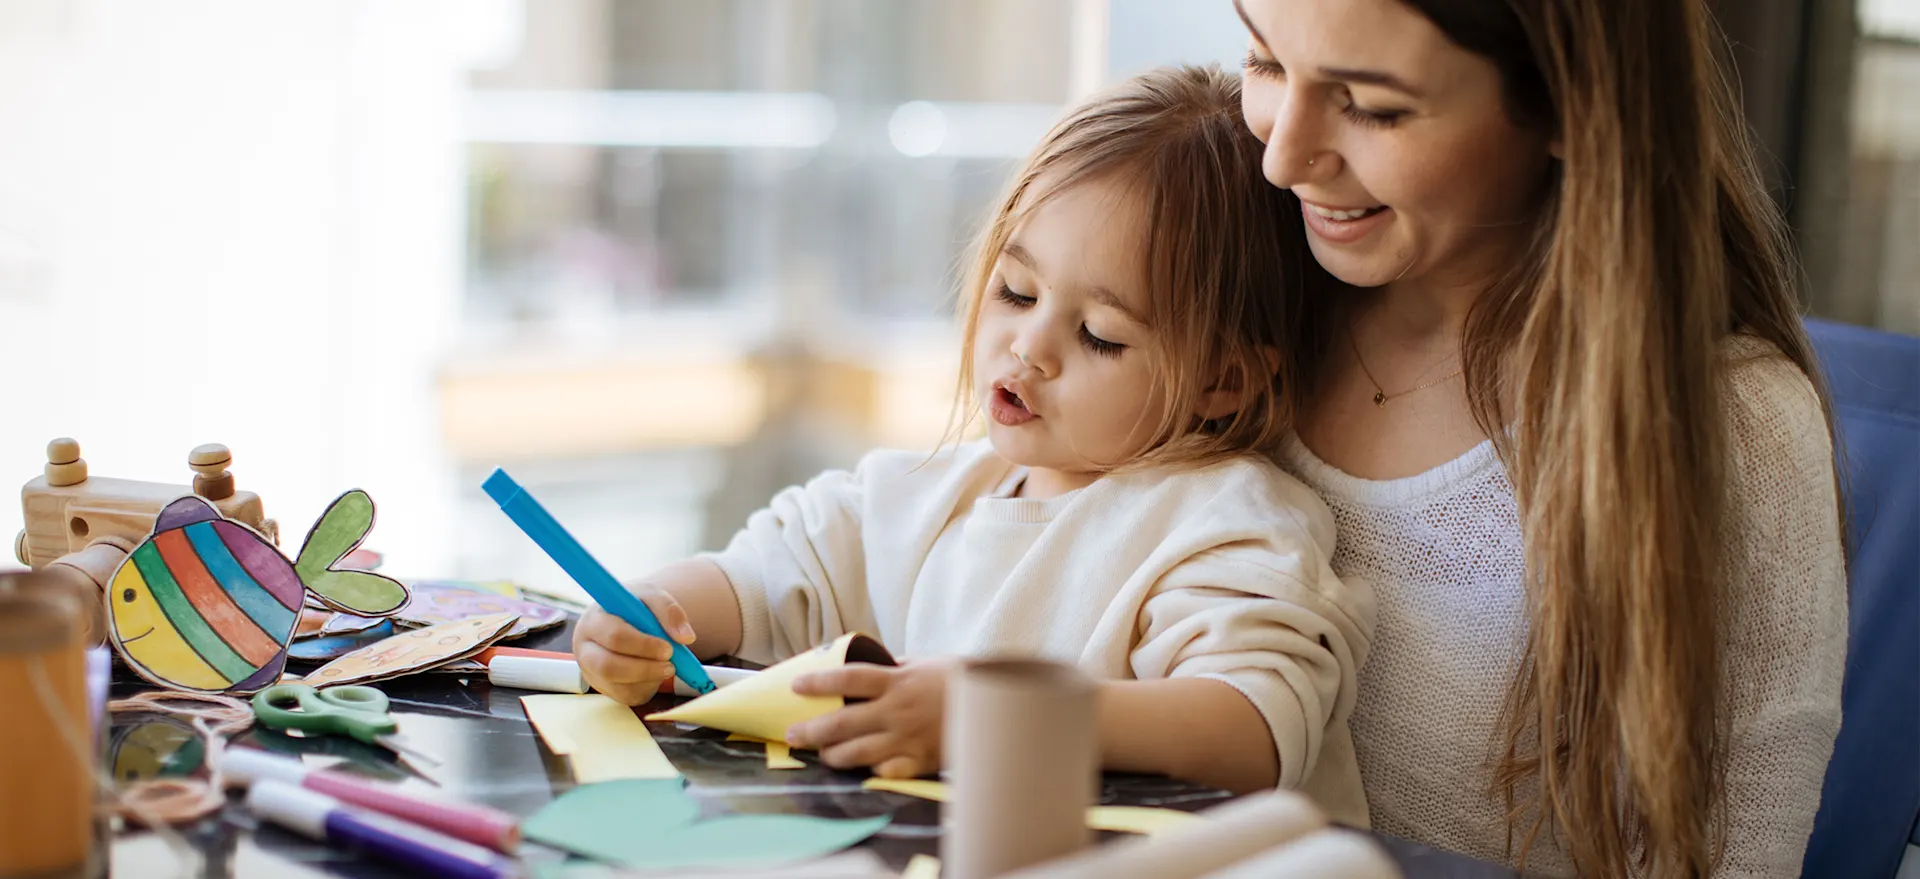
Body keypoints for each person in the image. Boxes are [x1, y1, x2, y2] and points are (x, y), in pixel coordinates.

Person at [573, 65, 1376, 824]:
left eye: (1099, 336)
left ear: (1223, 382)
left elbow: (1249, 728)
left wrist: (989, 714)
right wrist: (649, 616)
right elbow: (758, 575)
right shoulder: (925, 493)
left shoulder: (1223, 518)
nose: (1027, 347)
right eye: (1015, 290)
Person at [1231, 0, 1847, 875]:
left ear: (1567, 105)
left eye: (1374, 105)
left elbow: (1721, 855)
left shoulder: (1728, 424)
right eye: (1264, 63)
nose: (1282, 156)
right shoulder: (1235, 293)